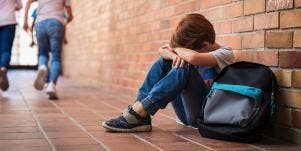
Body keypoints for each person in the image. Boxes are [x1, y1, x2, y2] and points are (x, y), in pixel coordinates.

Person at [102, 13, 235, 132]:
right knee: (165, 61)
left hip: (204, 116)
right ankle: (139, 114)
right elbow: (162, 50)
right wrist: (174, 55)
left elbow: (193, 58)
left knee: (185, 68)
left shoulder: (225, 53)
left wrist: (176, 50)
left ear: (205, 46)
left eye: (187, 50)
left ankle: (140, 111)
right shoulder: (194, 51)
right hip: (185, 113)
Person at [23, 0, 73, 100]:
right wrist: (65, 22)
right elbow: (70, 16)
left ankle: (42, 66)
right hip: (56, 22)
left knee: (42, 53)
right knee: (55, 56)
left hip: (40, 23)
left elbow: (28, 2)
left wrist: (25, 21)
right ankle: (51, 85)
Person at [0, 0, 23, 96]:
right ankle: (3, 67)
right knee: (6, 50)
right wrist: (11, 7)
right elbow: (20, 6)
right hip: (9, 21)